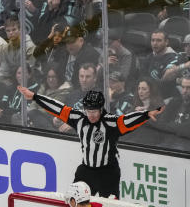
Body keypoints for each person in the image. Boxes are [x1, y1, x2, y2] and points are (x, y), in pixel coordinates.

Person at [17, 85, 164, 198]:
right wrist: (35, 97)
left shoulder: (110, 123)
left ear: (101, 109)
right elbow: (58, 108)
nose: (91, 115)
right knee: (73, 206)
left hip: (109, 172)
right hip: (86, 171)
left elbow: (126, 121)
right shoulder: (79, 118)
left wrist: (145, 115)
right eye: (88, 111)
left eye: (94, 111)